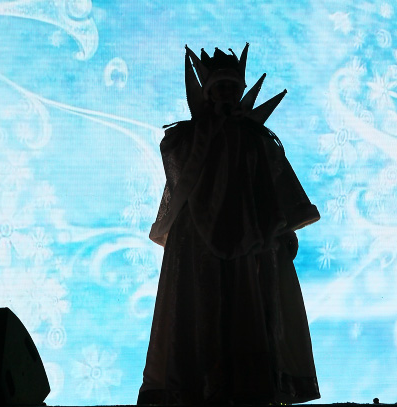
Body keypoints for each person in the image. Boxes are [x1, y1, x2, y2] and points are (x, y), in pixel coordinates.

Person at [137, 43, 321, 405]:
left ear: (239, 91)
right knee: (198, 303)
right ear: (207, 92)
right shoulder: (188, 137)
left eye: (231, 87)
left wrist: (281, 228)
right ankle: (197, 383)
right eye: (218, 87)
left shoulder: (256, 139)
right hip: (197, 238)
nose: (225, 93)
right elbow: (179, 170)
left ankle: (248, 384)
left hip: (250, 235)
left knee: (248, 306)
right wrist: (209, 130)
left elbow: (272, 183)